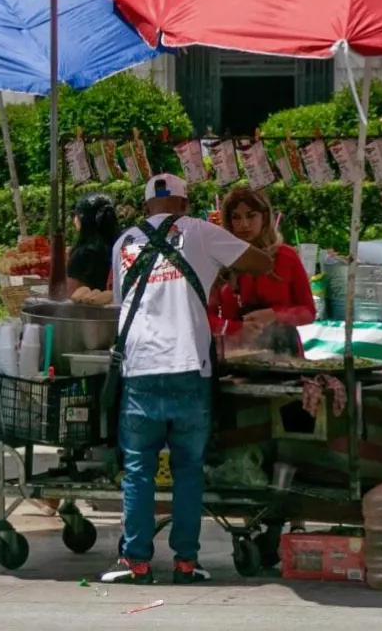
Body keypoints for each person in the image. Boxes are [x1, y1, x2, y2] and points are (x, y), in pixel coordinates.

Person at [104, 174, 273, 586]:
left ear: (146, 209)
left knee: (140, 469)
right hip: (189, 367)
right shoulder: (199, 230)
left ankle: (136, 562)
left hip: (140, 366)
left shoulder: (123, 243)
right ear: (184, 203)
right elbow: (262, 263)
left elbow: (119, 302)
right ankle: (185, 562)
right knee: (188, 469)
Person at [208, 187, 316, 350]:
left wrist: (274, 315)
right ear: (228, 222)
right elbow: (205, 316)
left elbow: (308, 312)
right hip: (235, 355)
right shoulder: (219, 261)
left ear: (264, 217)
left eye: (251, 216)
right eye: (236, 217)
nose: (244, 224)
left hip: (285, 354)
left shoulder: (286, 256)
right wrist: (233, 328)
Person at [66, 192, 120, 296]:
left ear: (83, 218)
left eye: (75, 215)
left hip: (90, 311)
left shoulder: (83, 254)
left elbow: (71, 296)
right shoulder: (122, 247)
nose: (74, 220)